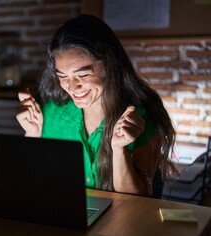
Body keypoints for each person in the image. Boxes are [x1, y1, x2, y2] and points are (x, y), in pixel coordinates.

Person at [16, 14, 177, 197]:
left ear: (109, 65)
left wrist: (118, 149)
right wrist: (32, 134)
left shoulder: (143, 117)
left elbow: (137, 200)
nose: (72, 86)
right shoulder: (51, 112)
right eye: (62, 76)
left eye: (83, 75)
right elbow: (31, 182)